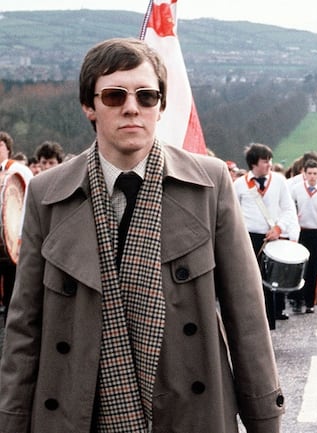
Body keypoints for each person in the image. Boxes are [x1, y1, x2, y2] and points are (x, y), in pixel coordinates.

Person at [0, 38, 284, 432]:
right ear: (89, 106)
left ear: (160, 106)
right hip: (76, 412)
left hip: (190, 409)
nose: (132, 107)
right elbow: (24, 327)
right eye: (115, 95)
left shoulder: (210, 183)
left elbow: (247, 316)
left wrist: (264, 418)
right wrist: (12, 421)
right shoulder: (46, 194)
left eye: (146, 96)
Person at [234, 142, 299, 329]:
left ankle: (268, 324)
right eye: (265, 161)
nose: (269, 164)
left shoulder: (279, 181)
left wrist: (279, 228)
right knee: (248, 282)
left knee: (269, 282)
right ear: (254, 163)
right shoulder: (239, 185)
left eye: (270, 160)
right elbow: (234, 213)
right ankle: (248, 324)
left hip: (272, 237)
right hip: (247, 238)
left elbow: (288, 209)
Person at [288, 158, 317, 314]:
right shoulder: (296, 189)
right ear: (304, 173)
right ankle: (296, 299)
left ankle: (309, 301)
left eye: (315, 173)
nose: (312, 176)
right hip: (300, 231)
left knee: (313, 268)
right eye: (309, 173)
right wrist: (290, 232)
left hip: (315, 232)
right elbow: (289, 211)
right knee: (298, 267)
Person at [0, 130, 33, 321]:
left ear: (8, 149)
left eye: (1, 145)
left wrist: (20, 236)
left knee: (14, 289)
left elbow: (26, 203)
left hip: (15, 240)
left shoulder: (20, 171)